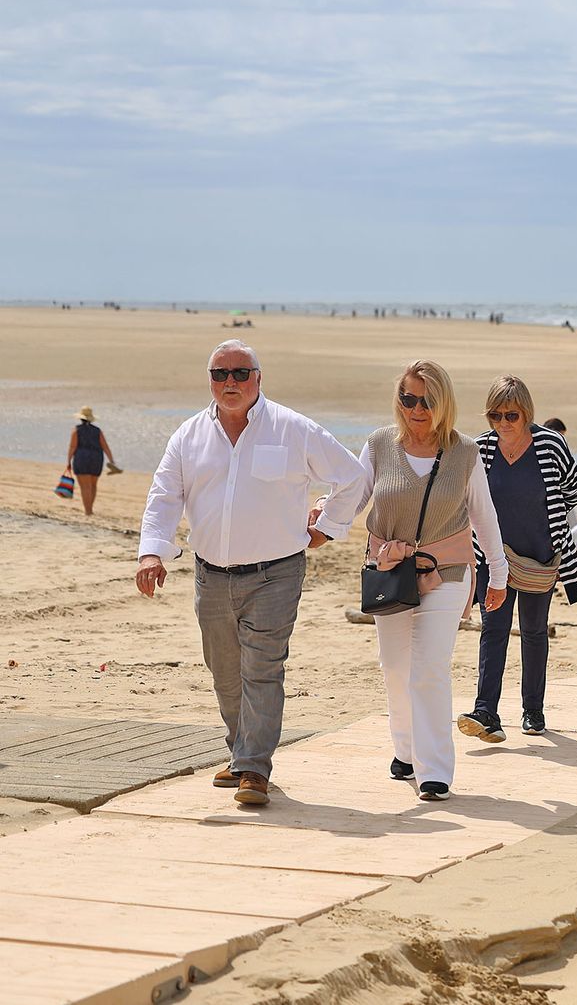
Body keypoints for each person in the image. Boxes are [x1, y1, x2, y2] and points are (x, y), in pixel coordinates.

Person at [137, 341, 367, 807]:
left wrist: (325, 529)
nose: (231, 383)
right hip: (210, 576)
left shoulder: (293, 428)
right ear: (210, 380)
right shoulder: (188, 436)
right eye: (221, 374)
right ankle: (241, 753)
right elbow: (164, 495)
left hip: (275, 574)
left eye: (241, 373)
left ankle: (254, 767)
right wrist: (151, 553)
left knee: (261, 669)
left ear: (259, 378)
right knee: (225, 672)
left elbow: (354, 476)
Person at [342, 361, 509, 801]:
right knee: (396, 668)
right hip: (390, 572)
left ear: (444, 403)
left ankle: (435, 770)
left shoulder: (465, 452)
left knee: (429, 668)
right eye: (408, 399)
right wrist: (320, 519)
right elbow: (354, 495)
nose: (417, 409)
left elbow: (484, 515)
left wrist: (499, 572)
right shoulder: (380, 445)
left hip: (447, 573)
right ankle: (407, 751)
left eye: (427, 400)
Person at [456, 375, 577, 746]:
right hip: (492, 560)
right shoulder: (481, 449)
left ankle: (533, 710)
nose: (502, 423)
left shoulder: (550, 445)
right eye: (495, 415)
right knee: (493, 630)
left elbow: (571, 491)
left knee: (533, 631)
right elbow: (470, 500)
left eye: (511, 415)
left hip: (539, 559)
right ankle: (486, 712)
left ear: (526, 413)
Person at [67, 406, 116, 516]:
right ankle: (90, 509)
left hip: (81, 458)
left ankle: (88, 511)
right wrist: (112, 461)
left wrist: (68, 461)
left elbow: (73, 446)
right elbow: (105, 447)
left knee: (85, 486)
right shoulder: (97, 431)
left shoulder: (76, 430)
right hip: (96, 458)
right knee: (93, 485)